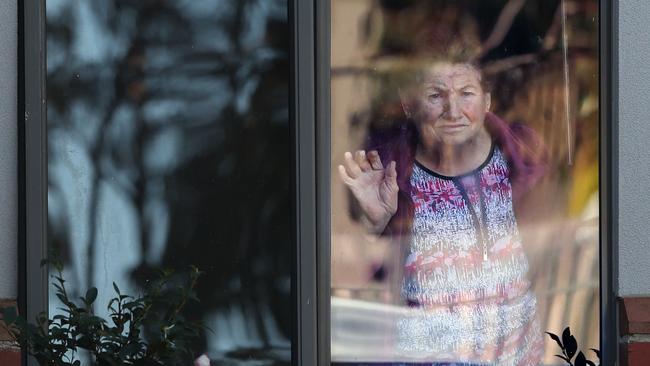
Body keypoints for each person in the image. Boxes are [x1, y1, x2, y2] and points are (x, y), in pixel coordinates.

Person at [338, 61, 546, 365]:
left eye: (466, 93)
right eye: (435, 95)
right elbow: (369, 266)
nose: (452, 110)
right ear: (412, 105)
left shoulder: (517, 158)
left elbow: (550, 242)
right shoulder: (394, 172)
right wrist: (378, 223)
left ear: (487, 101)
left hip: (514, 353)